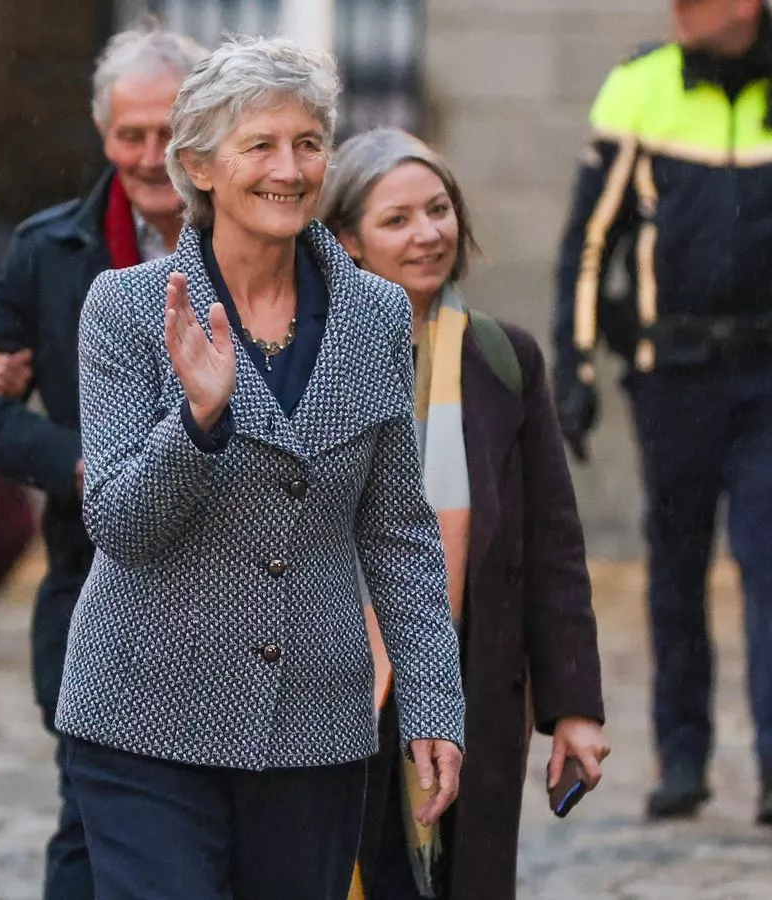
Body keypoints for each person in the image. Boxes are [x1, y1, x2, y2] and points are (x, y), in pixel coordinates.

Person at [56, 36, 465, 900]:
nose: (290, 168)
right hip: (145, 718)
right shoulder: (127, 306)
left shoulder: (376, 313)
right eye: (261, 145)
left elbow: (398, 530)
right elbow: (120, 525)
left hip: (314, 730)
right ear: (199, 167)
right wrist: (196, 422)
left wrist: (433, 703)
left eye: (309, 143)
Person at [0, 22, 206, 899]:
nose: (150, 156)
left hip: (231, 583)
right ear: (103, 135)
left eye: (169, 131)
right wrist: (74, 461)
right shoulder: (50, 248)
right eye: (130, 134)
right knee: (91, 822)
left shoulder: (257, 239)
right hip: (94, 581)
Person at [320, 128, 609, 900]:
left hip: (472, 679)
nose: (427, 234)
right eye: (397, 219)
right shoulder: (310, 359)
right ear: (346, 241)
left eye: (438, 210)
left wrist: (573, 707)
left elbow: (552, 544)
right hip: (337, 676)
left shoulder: (503, 359)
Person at [553, 0, 772, 823]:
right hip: (672, 378)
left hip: (768, 378)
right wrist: (575, 366)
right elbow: (589, 241)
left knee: (768, 561)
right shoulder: (640, 87)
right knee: (676, 567)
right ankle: (682, 757)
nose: (677, 10)